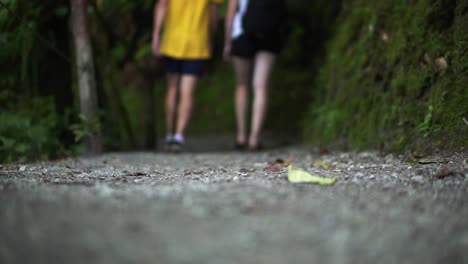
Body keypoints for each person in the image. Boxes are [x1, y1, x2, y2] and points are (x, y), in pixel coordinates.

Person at [152, 0, 222, 152]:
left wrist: (156, 35)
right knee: (187, 91)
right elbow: (213, 13)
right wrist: (211, 36)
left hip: (172, 41)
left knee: (171, 88)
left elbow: (162, 5)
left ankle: (169, 134)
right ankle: (179, 136)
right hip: (197, 42)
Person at [224, 0, 286, 151]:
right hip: (269, 35)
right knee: (261, 86)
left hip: (242, 34)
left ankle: (241, 137)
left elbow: (231, 12)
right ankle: (254, 139)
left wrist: (227, 43)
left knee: (242, 85)